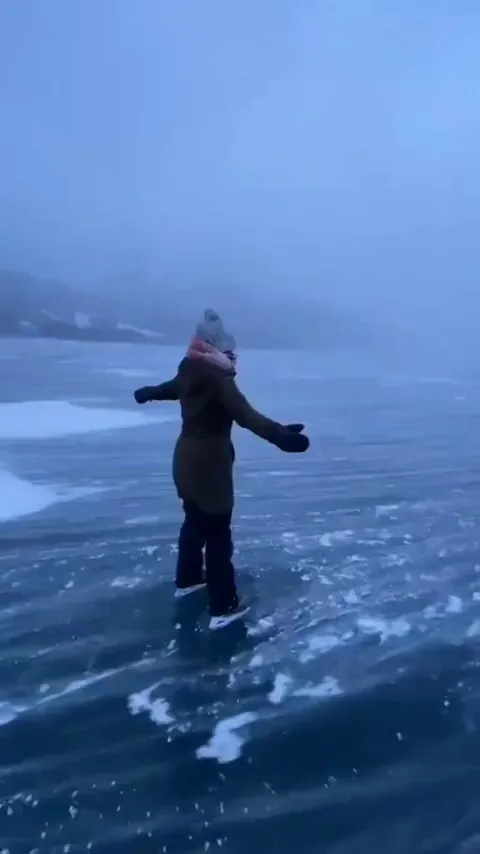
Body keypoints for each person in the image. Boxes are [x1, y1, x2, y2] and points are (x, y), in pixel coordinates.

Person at [133, 308, 310, 630]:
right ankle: (224, 606)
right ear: (216, 351)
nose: (234, 358)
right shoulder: (218, 378)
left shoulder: (190, 368)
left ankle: (187, 579)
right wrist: (281, 438)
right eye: (230, 352)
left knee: (194, 520)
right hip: (209, 464)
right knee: (217, 535)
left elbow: (172, 388)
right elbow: (245, 415)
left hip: (184, 460)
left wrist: (149, 393)